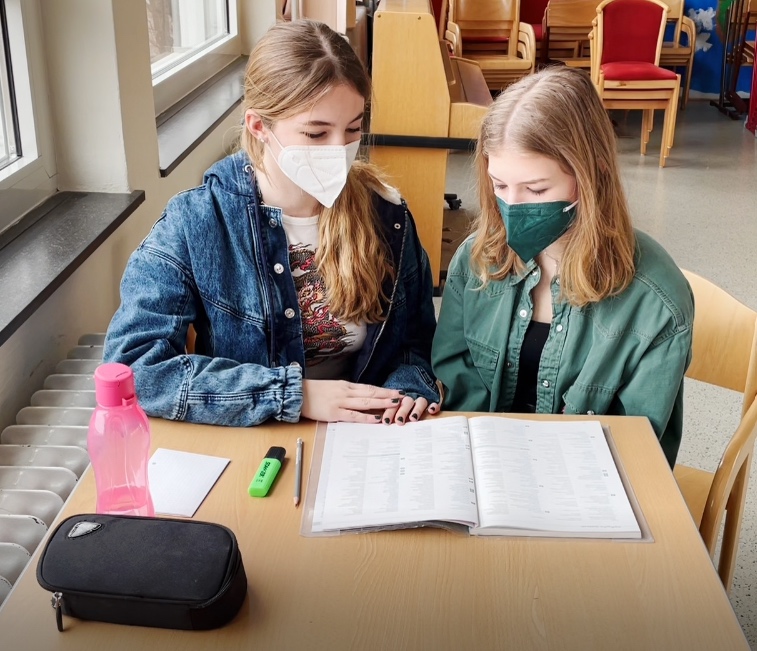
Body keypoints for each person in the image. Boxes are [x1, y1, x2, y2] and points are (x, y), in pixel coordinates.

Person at [104, 19, 440, 427]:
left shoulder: (388, 215)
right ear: (259, 126)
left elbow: (414, 343)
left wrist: (408, 388)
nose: (340, 151)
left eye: (353, 129)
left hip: (367, 436)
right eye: (316, 134)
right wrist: (290, 395)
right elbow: (134, 367)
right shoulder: (196, 222)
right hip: (259, 436)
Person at [431, 66, 693, 467]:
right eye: (500, 185)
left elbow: (636, 448)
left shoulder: (656, 301)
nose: (512, 207)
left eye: (536, 189)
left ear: (591, 175)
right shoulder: (475, 260)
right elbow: (457, 383)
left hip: (586, 476)